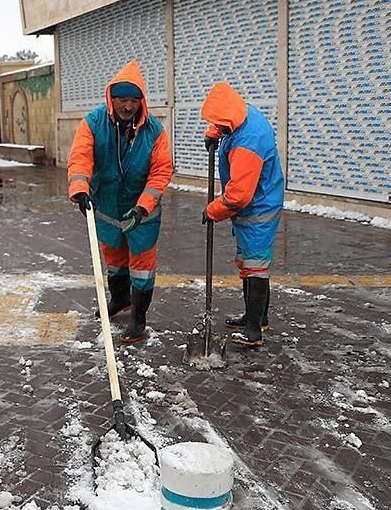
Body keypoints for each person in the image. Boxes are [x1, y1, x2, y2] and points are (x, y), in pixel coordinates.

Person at [67, 60, 174, 344]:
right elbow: (81, 158)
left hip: (142, 210)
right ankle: (119, 300)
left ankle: (138, 318)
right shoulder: (93, 122)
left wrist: (143, 207)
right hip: (108, 206)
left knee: (141, 264)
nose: (128, 107)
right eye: (122, 100)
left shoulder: (154, 131)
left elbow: (161, 170)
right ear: (111, 98)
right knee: (114, 257)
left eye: (134, 101)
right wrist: (80, 188)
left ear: (142, 101)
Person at [200, 81, 285, 347]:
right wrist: (214, 132)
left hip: (259, 207)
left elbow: (238, 196)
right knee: (249, 264)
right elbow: (225, 121)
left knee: (255, 267)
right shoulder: (240, 114)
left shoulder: (249, 140)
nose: (221, 129)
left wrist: (212, 210)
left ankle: (253, 330)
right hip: (254, 204)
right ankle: (256, 318)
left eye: (220, 125)